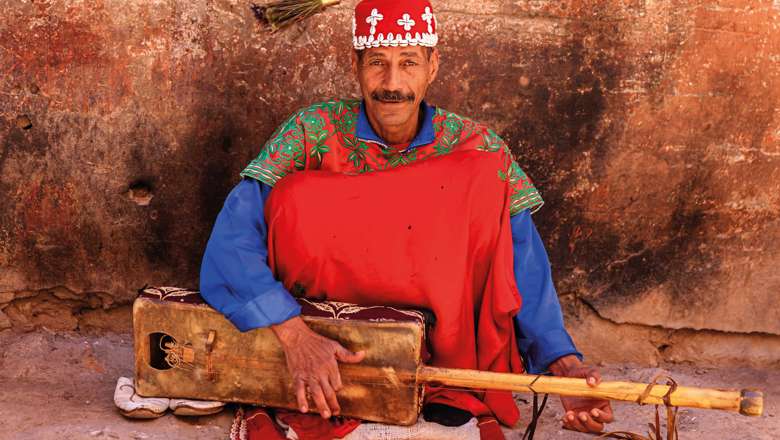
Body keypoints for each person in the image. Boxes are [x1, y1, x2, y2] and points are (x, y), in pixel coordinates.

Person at [200, 0, 613, 434]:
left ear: (433, 66)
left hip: (438, 365)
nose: (392, 83)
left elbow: (521, 266)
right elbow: (232, 242)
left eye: (409, 63)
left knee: (482, 173)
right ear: (355, 64)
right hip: (326, 344)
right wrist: (295, 338)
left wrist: (562, 364)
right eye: (378, 62)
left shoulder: (476, 149)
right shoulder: (310, 133)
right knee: (295, 194)